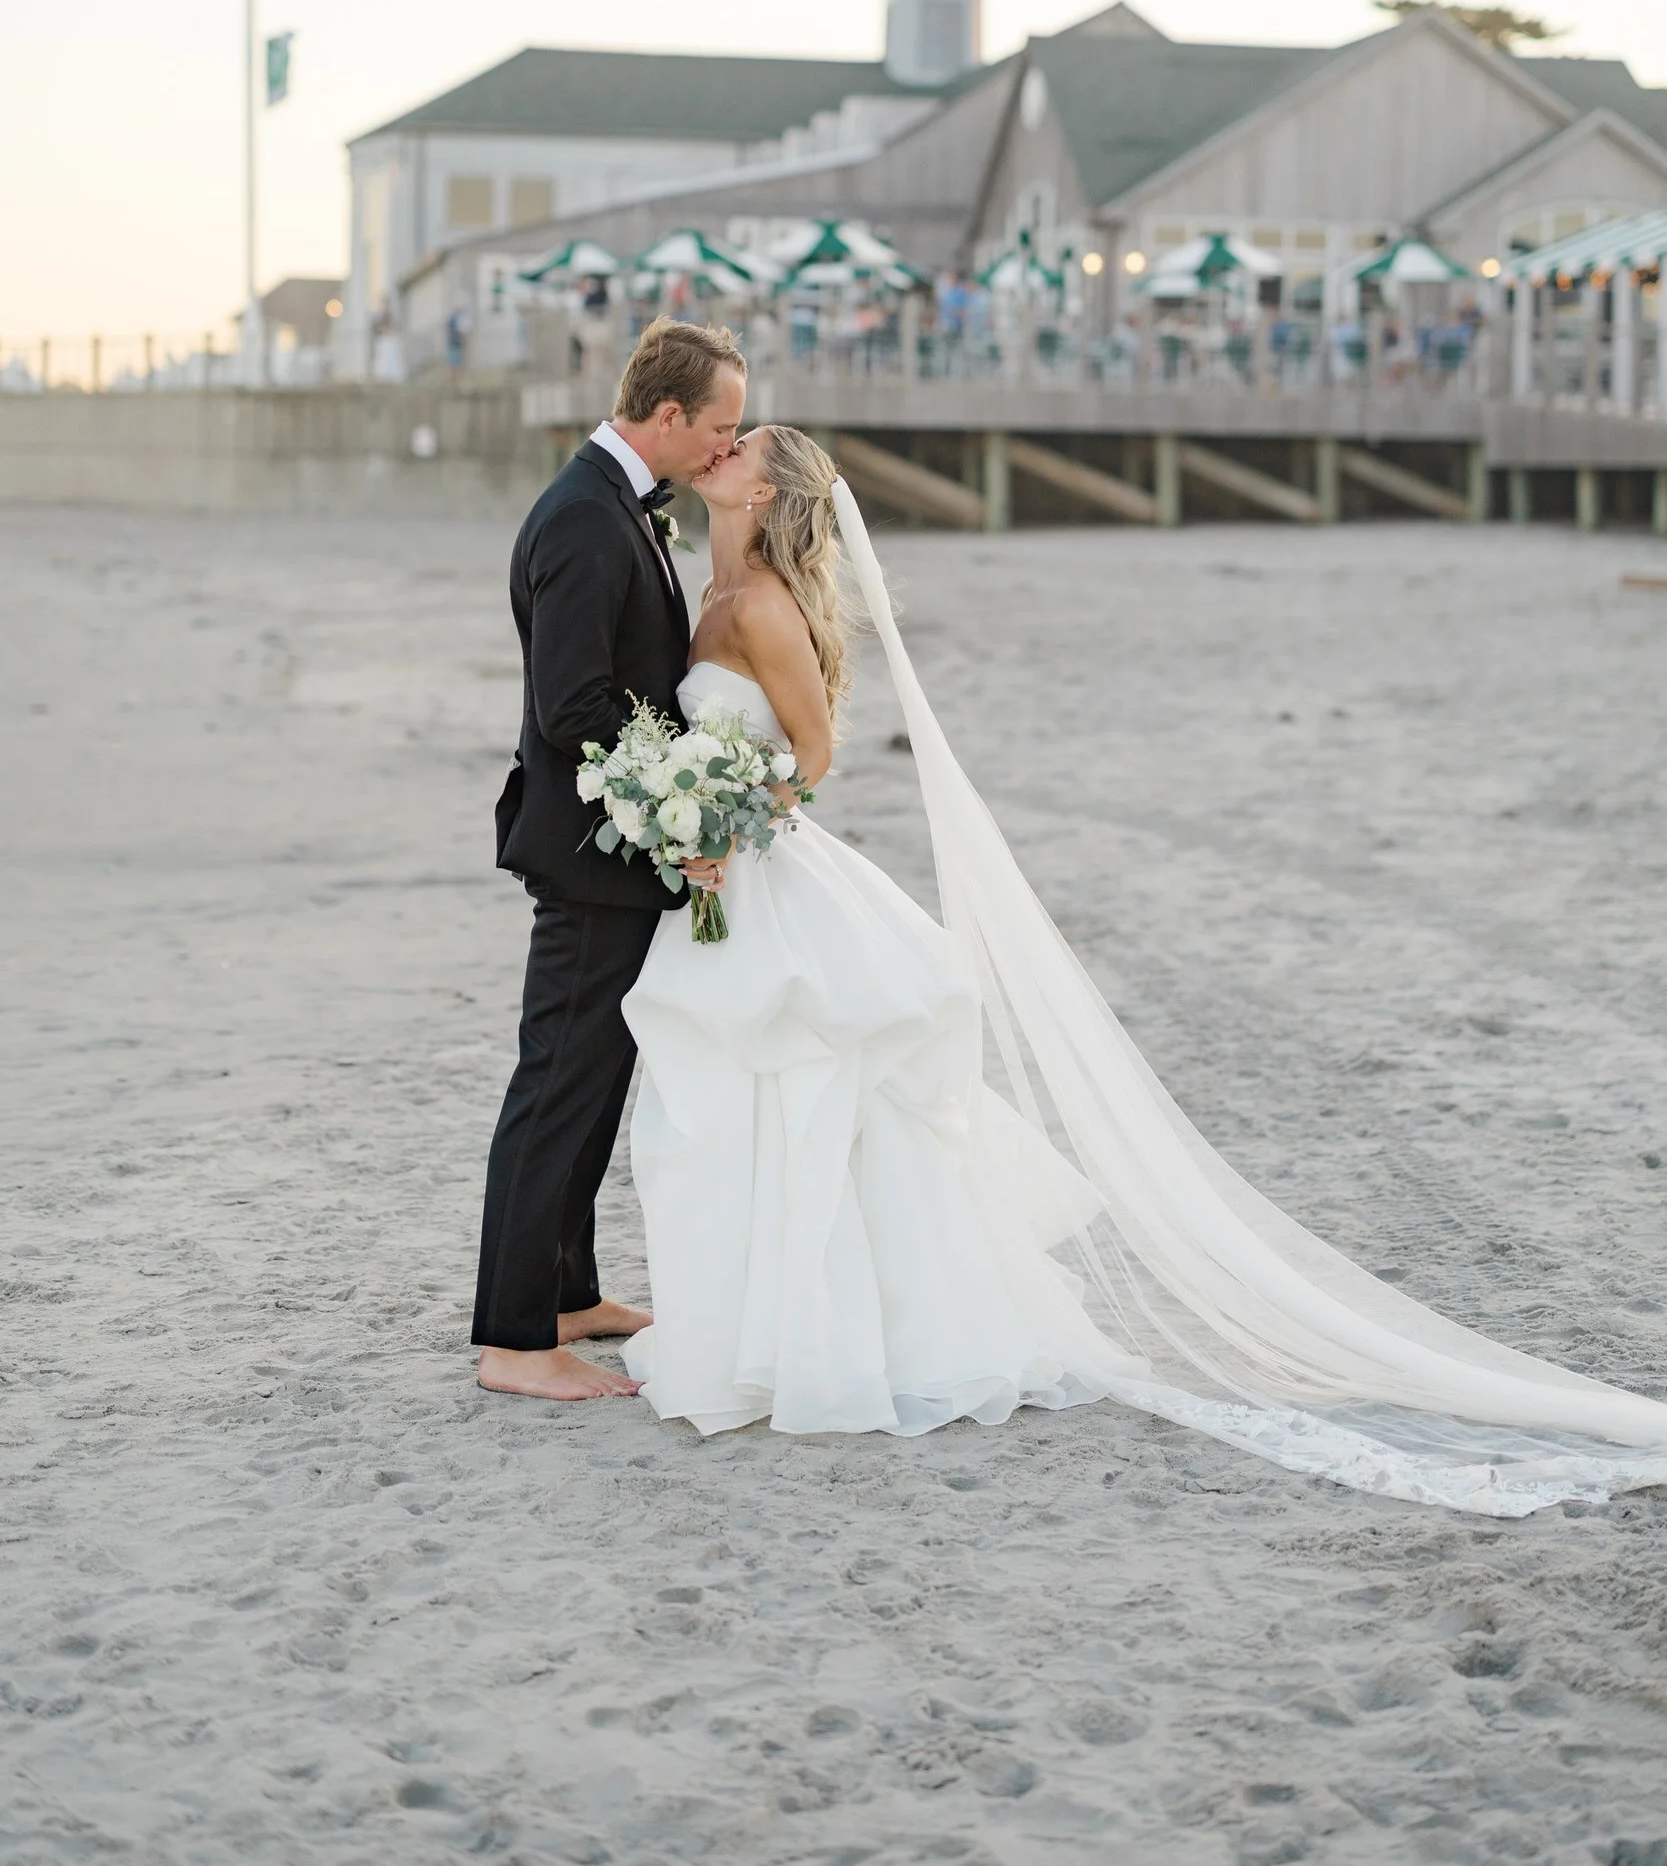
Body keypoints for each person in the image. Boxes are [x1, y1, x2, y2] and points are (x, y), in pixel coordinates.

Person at [608, 426, 1667, 1510]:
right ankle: (755, 1328)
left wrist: (728, 824)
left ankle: (824, 1338)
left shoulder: (763, 603)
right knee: (744, 1105)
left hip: (761, 871)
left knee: (810, 1091)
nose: (721, 449)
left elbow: (814, 752)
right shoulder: (713, 582)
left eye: (740, 446)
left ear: (769, 488)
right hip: (733, 881)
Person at [471, 318, 746, 1403]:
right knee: (556, 1081)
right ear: (668, 415)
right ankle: (510, 1339)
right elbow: (573, 702)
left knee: (596, 1074)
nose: (727, 447)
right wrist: (687, 789)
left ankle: (568, 1291)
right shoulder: (585, 519)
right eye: (718, 427)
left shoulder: (614, 504)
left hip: (612, 847)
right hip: (590, 850)